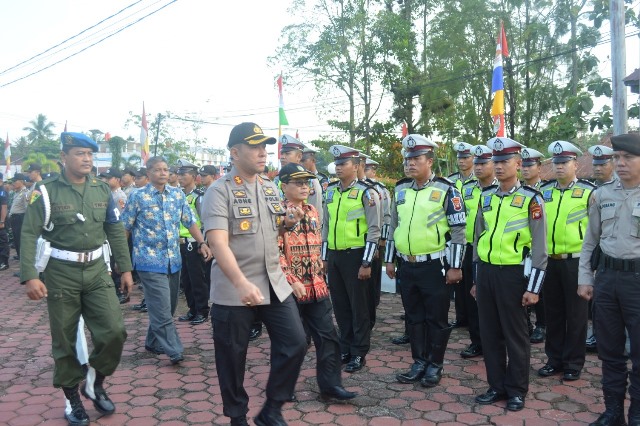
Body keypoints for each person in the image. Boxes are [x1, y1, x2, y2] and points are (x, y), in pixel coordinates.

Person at [20, 132, 134, 426]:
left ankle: (93, 382)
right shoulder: (44, 191)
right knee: (66, 339)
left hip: (97, 271)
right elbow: (29, 233)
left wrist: (126, 269)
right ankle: (72, 400)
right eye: (80, 153)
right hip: (61, 273)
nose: (86, 159)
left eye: (90, 154)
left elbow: (114, 229)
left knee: (114, 332)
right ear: (64, 158)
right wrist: (30, 276)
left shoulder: (101, 189)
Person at [201, 122, 307, 426]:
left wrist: (287, 221)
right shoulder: (218, 191)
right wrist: (240, 282)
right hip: (235, 288)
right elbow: (218, 243)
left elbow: (271, 230)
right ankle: (237, 417)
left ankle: (272, 408)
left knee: (295, 342)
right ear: (235, 152)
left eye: (265, 146)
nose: (263, 152)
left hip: (273, 282)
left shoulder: (269, 186)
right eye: (255, 146)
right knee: (232, 358)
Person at [473, 137, 547, 412]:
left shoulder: (531, 199)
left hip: (514, 275)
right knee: (489, 333)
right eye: (497, 161)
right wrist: (475, 278)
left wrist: (534, 288)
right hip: (488, 273)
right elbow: (478, 239)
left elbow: (540, 247)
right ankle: (496, 385)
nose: (500, 166)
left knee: (515, 335)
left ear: (518, 163)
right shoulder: (487, 196)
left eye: (505, 161)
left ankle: (516, 389)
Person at [385, 134, 465, 387]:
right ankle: (418, 361)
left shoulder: (446, 189)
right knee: (413, 316)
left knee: (436, 318)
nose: (410, 164)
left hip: (435, 266)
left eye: (416, 158)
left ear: (429, 161)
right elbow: (393, 226)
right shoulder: (400, 189)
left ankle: (435, 364)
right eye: (408, 159)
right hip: (407, 264)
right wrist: (390, 260)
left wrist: (455, 266)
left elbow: (459, 232)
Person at [121, 156, 212, 364]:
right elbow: (124, 228)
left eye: (165, 169)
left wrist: (202, 243)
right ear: (148, 172)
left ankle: (153, 341)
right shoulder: (138, 196)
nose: (163, 173)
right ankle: (174, 349)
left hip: (173, 260)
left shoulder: (177, 195)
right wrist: (122, 259)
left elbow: (190, 221)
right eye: (158, 169)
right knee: (161, 307)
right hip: (148, 260)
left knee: (168, 306)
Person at [278, 162, 357, 401]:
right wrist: (290, 280)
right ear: (283, 186)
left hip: (316, 285)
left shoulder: (312, 209)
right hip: (289, 287)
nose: (304, 187)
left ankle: (330, 386)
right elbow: (273, 251)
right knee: (293, 341)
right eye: (298, 183)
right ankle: (283, 387)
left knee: (329, 337)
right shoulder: (276, 212)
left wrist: (321, 268)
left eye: (307, 183)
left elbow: (317, 243)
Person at [578, 133, 640, 426]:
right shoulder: (601, 195)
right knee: (610, 350)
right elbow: (590, 242)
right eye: (617, 158)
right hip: (607, 280)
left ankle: (637, 414)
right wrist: (585, 278)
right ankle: (613, 411)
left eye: (628, 158)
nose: (620, 163)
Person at [537, 141, 594, 382]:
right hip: (550, 260)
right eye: (556, 163)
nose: (559, 167)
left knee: (577, 315)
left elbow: (595, 233)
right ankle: (554, 359)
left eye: (564, 163)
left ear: (576, 164)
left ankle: (573, 362)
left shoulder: (589, 192)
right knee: (554, 313)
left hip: (576, 262)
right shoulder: (544, 191)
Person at [322, 145, 381, 374]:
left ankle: (359, 352)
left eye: (343, 164)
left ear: (356, 166)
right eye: (336, 164)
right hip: (336, 255)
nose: (338, 168)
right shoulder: (331, 191)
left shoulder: (367, 193)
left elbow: (374, 230)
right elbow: (326, 226)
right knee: (341, 305)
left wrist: (366, 263)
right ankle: (345, 347)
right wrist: (325, 257)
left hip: (357, 255)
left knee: (359, 308)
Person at [459, 145, 497, 359]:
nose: (479, 167)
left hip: (494, 250)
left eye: (484, 163)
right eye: (477, 163)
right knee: (472, 296)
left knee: (493, 298)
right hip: (470, 248)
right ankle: (477, 341)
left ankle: (495, 340)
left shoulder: (502, 188)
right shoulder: (467, 188)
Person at [584, 144, 615, 354]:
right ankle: (597, 333)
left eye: (602, 164)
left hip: (620, 256)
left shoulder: (621, 189)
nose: (597, 168)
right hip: (598, 254)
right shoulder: (595, 192)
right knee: (598, 302)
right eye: (595, 164)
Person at [175, 159, 209, 325]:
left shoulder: (199, 197)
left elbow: (205, 221)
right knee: (186, 280)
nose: (180, 177)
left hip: (194, 242)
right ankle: (192, 309)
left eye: (184, 174)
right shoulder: (178, 195)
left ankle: (202, 310)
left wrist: (203, 243)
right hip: (180, 243)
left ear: (194, 177)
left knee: (197, 279)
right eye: (179, 174)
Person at [520, 147, 548, 344]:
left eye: (530, 165)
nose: (526, 169)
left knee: (541, 290)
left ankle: (542, 325)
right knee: (524, 288)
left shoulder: (547, 190)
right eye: (523, 165)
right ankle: (527, 323)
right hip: (523, 250)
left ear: (539, 167)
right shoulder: (520, 191)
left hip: (542, 248)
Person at [448, 141, 475, 328]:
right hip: (457, 240)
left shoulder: (480, 182)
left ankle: (474, 319)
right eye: (460, 157)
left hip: (474, 241)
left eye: (466, 157)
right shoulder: (451, 181)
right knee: (459, 281)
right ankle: (461, 317)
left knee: (471, 283)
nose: (462, 161)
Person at [97, 167, 129, 304]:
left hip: (115, 235)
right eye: (103, 177)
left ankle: (121, 292)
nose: (104, 180)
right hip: (107, 237)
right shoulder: (108, 193)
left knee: (115, 266)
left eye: (108, 178)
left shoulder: (119, 196)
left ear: (117, 180)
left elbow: (120, 220)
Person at [9, 173, 29, 262]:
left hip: (20, 219)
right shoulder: (17, 192)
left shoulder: (25, 193)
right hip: (14, 219)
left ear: (21, 181)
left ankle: (23, 261)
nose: (13, 183)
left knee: (20, 241)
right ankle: (20, 258)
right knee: (16, 241)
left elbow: (27, 209)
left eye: (15, 181)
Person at [0, 172, 8, 271]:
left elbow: (4, 207)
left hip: (1, 220)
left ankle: (4, 262)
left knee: (2, 241)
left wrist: (2, 221)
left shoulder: (2, 191)